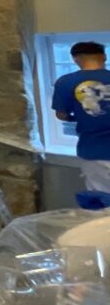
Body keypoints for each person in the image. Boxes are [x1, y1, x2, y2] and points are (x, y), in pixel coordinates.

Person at [51, 41, 110, 196]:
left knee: (101, 203)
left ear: (75, 59)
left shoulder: (65, 82)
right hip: (96, 151)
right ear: (103, 57)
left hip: (94, 150)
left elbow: (61, 115)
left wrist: (75, 117)